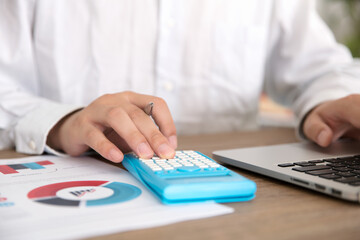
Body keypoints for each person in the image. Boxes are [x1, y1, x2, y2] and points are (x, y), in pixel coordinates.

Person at [1, 1, 360, 163]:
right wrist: (63, 123)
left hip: (237, 205)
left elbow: (323, 70)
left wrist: (326, 104)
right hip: (79, 190)